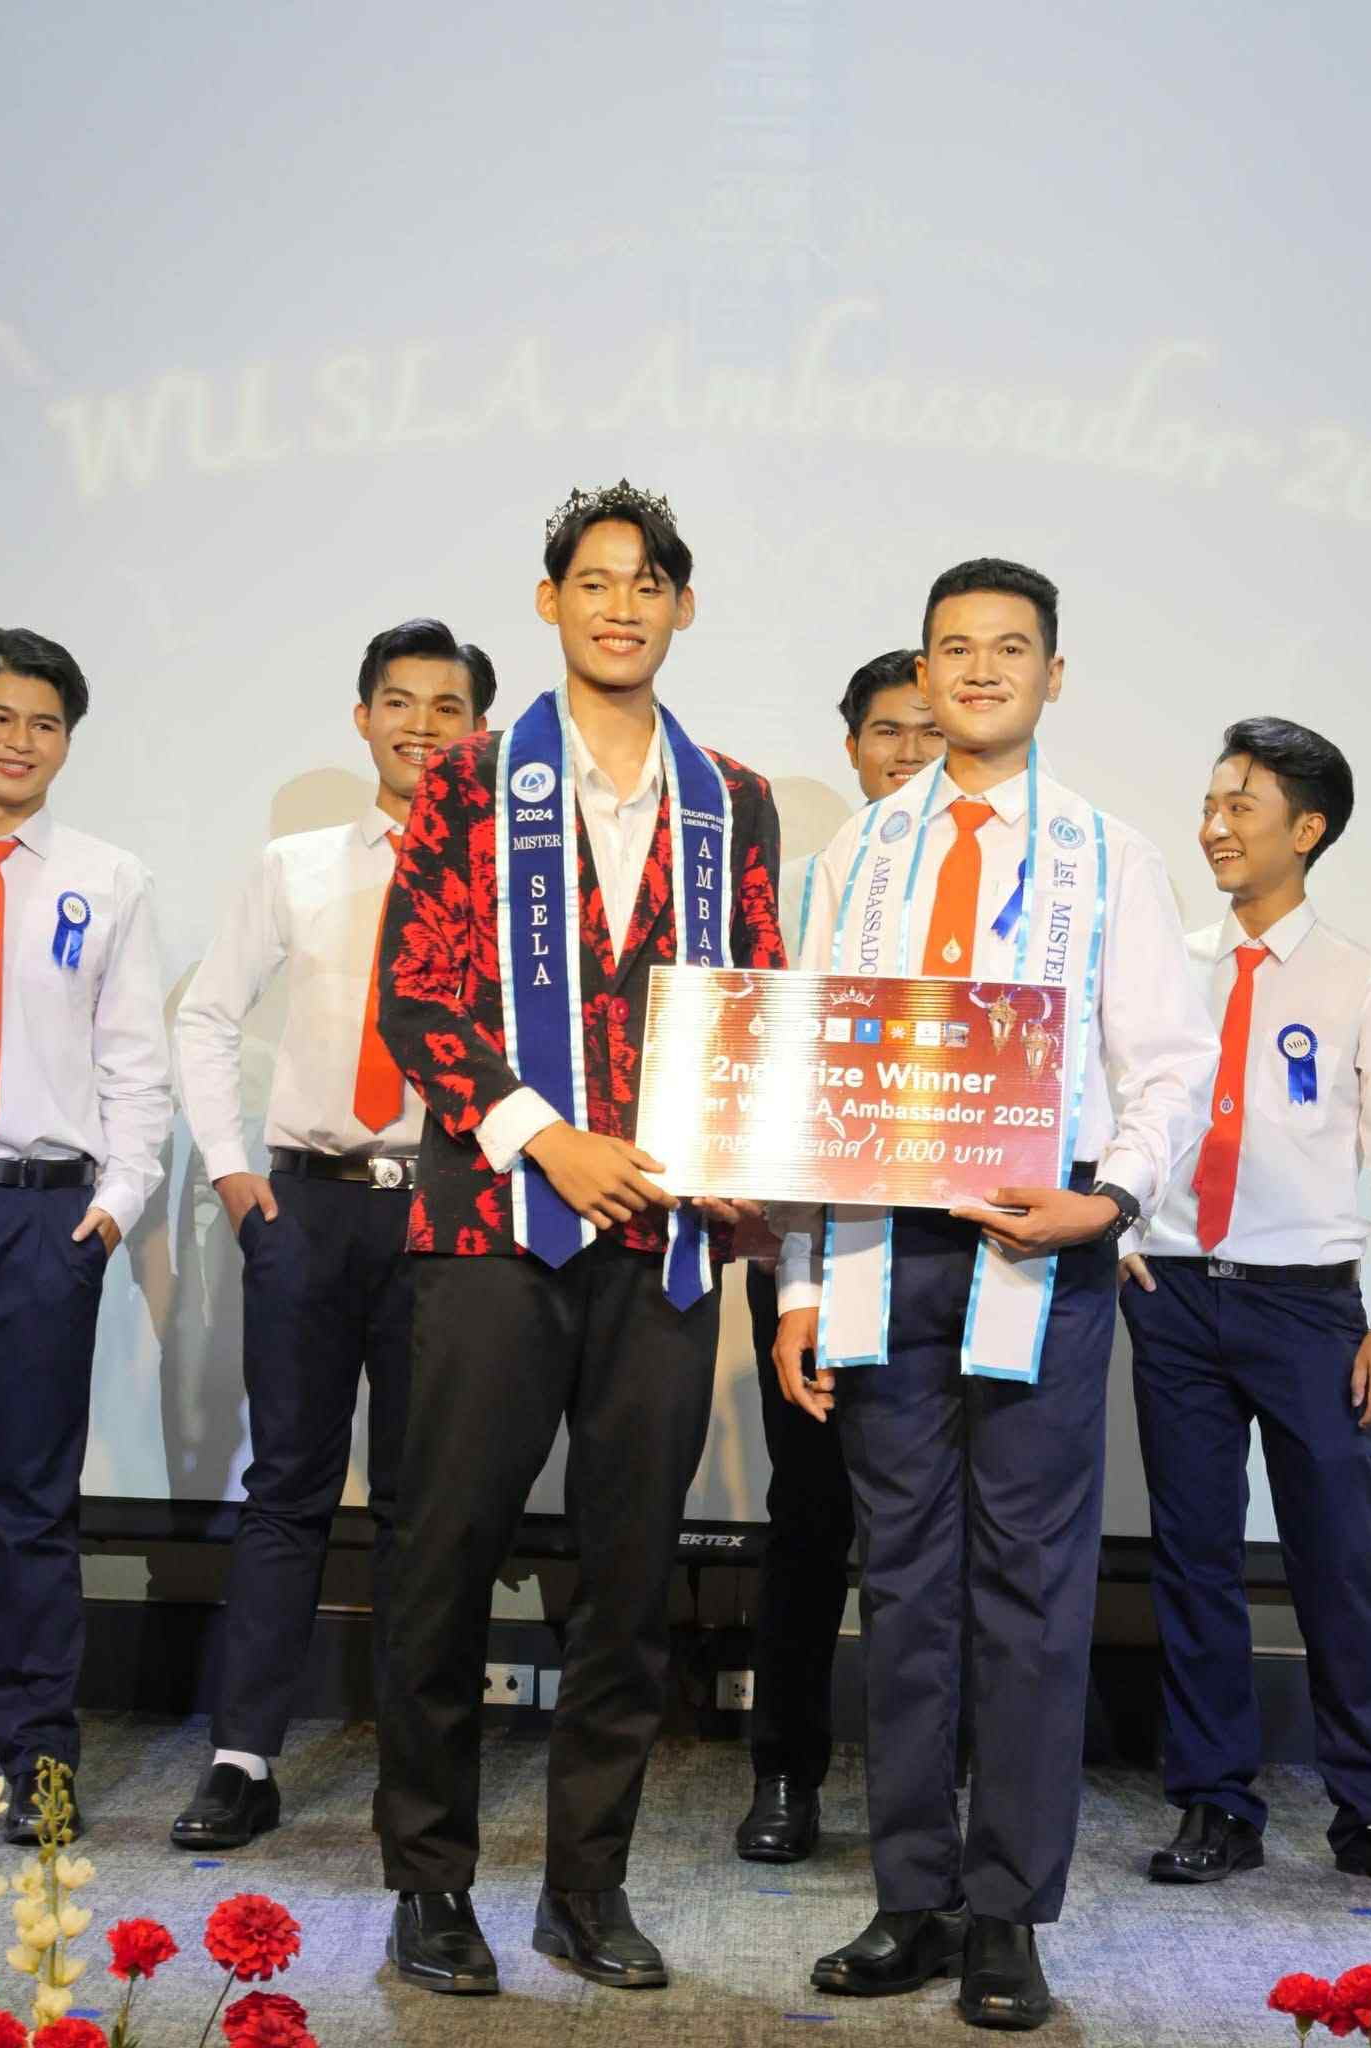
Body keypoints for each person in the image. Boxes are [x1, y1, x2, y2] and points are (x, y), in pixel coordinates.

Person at [771, 559, 1216, 2031]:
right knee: (903, 1586)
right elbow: (812, 1077)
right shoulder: (856, 854)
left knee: (1030, 1589)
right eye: (954, 648)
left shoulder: (1109, 856)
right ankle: (912, 1895)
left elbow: (1169, 1065)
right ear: (923, 670)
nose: (979, 670)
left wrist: (1113, 1197)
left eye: (1009, 648)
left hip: (1041, 1249)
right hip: (881, 1254)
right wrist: (795, 1282)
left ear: (1052, 676)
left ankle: (1010, 1911)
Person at [377, 481, 784, 1997]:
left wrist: (743, 1164)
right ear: (550, 601)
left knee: (629, 1578)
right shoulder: (472, 779)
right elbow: (416, 996)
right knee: (445, 1559)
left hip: (663, 1248)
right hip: (492, 1227)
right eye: (595, 580)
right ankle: (430, 1884)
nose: (622, 605)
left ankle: (585, 1888)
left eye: (648, 582)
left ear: (683, 606)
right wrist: (546, 1134)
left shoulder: (731, 798)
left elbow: (756, 1007)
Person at [1120, 716, 1371, 1898]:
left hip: (1309, 1305)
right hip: (1174, 1294)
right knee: (1194, 1557)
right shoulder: (1170, 964)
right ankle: (1216, 1801)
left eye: (1242, 807)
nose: (1214, 826)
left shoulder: (1367, 984)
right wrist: (1123, 1228)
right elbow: (1124, 1105)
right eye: (1210, 803)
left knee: (1341, 1559)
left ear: (1307, 829)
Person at [166, 620, 493, 1850]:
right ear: (364, 718)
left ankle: (415, 1767)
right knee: (287, 1486)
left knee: (422, 1500)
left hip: (443, 1205)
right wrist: (232, 1168)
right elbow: (207, 1014)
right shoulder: (292, 864)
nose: (423, 726)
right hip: (306, 1203)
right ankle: (242, 1758)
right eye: (400, 702)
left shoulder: (505, 884)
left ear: (480, 733)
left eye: (448, 708)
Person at [737, 647, 943, 1865]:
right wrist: (794, 1267)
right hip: (814, 1252)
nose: (909, 751)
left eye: (929, 728)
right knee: (809, 1519)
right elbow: (772, 1086)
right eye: (886, 731)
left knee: (939, 1542)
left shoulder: (1011, 891)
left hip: (955, 1256)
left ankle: (932, 1790)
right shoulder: (802, 893)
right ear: (852, 747)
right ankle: (785, 1774)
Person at [0, 627, 171, 1843]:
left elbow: (135, 1063)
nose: (19, 740)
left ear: (67, 741)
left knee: (29, 1503)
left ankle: (38, 1764)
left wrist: (111, 1208)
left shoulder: (105, 878)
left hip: (40, 1213)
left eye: (43, 722)